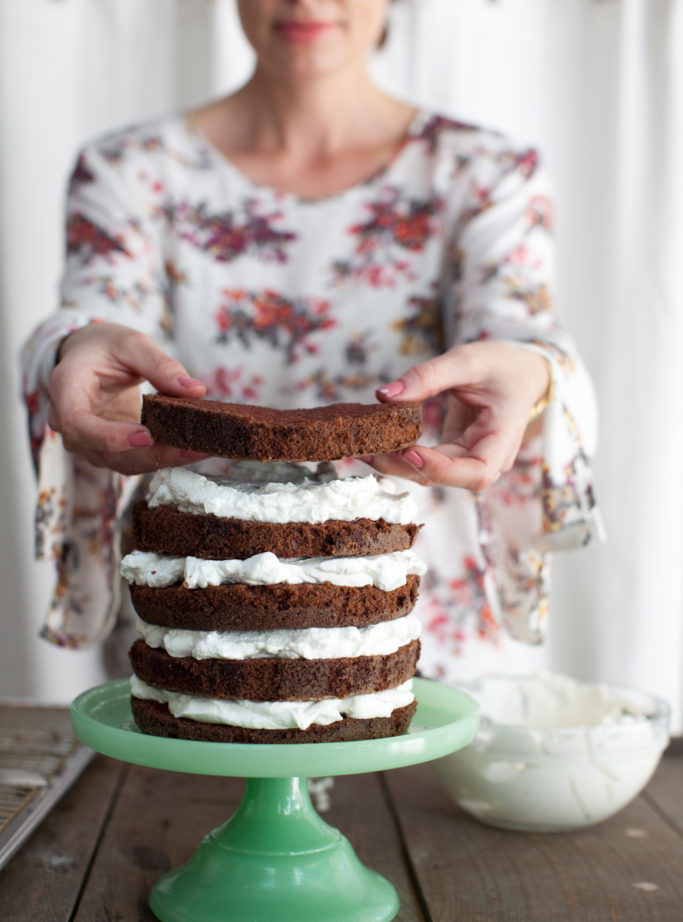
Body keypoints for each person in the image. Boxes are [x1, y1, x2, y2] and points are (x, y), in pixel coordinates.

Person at [22, 0, 602, 681]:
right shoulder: (129, 170)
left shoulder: (485, 172)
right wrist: (74, 349)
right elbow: (95, 313)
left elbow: (515, 328)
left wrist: (530, 371)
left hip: (411, 618)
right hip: (200, 621)